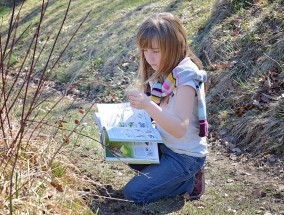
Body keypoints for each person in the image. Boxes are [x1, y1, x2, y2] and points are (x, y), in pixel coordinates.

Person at [124, 12, 208, 204]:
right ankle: (167, 176)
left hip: (184, 156)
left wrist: (148, 105)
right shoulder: (163, 71)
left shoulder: (186, 77)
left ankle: (188, 182)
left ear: (173, 47)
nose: (149, 58)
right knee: (127, 151)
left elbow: (179, 128)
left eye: (155, 51)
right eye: (145, 50)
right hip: (164, 144)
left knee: (133, 194)